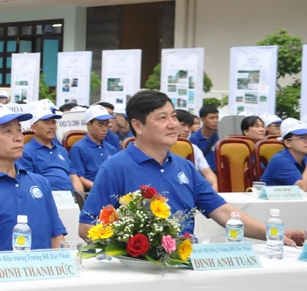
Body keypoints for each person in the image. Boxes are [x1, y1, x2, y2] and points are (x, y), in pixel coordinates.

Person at [80, 90, 305, 245]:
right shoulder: (116, 167)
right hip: (140, 272)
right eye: (162, 118)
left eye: (174, 117)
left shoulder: (185, 167)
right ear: (138, 125)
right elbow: (86, 227)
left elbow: (224, 212)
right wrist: (134, 247)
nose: (173, 124)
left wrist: (273, 234)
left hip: (189, 263)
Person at [0, 103, 66, 256]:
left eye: (19, 130)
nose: (18, 138)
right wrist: (16, 270)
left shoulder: (40, 182)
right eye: (7, 131)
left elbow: (57, 237)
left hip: (45, 273)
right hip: (1, 276)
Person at [21, 108, 83, 194]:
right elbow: (27, 183)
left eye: (53, 122)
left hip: (70, 199)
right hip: (46, 199)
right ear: (34, 128)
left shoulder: (62, 150)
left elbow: (73, 176)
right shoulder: (26, 151)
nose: (52, 126)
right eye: (46, 123)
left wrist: (80, 198)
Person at [69, 105, 118, 191]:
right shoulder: (78, 148)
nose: (105, 129)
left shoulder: (111, 149)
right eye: (100, 125)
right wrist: (99, 188)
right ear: (88, 125)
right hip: (92, 192)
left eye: (107, 125)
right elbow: (78, 177)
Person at [174, 110, 219, 191]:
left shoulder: (194, 148)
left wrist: (214, 187)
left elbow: (208, 173)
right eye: (182, 125)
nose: (187, 130)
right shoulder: (161, 148)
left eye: (189, 126)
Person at [261, 119, 307, 189]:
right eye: (301, 137)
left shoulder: (304, 158)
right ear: (287, 143)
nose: (306, 141)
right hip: (271, 199)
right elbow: (304, 188)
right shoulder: (280, 160)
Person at [189, 104, 219, 172]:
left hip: (218, 174)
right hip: (201, 174)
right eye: (211, 118)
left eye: (217, 117)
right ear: (203, 120)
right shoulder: (194, 139)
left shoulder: (220, 136)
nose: (215, 121)